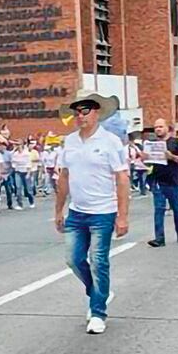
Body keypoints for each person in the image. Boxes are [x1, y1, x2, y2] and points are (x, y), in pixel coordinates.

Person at [53, 89, 130, 335]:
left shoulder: (110, 142)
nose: (80, 115)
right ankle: (98, 292)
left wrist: (122, 215)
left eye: (85, 110)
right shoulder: (70, 141)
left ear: (96, 112)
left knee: (99, 262)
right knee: (73, 259)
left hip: (103, 212)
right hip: (77, 211)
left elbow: (122, 179)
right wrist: (59, 209)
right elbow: (64, 176)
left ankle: (97, 312)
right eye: (77, 111)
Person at [143, 118, 178, 248]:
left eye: (161, 126)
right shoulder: (152, 144)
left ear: (167, 128)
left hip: (172, 181)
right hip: (157, 181)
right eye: (156, 127)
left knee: (176, 208)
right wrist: (144, 157)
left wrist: (172, 156)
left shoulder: (175, 142)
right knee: (159, 209)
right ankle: (159, 238)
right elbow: (149, 162)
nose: (158, 129)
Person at [10, 141, 34, 209]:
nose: (17, 146)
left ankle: (31, 201)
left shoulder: (26, 154)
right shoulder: (15, 154)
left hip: (26, 171)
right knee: (18, 188)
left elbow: (29, 163)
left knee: (28, 188)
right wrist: (13, 150)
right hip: (18, 172)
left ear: (22, 145)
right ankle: (19, 204)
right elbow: (12, 160)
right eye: (16, 145)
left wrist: (28, 173)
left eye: (19, 145)